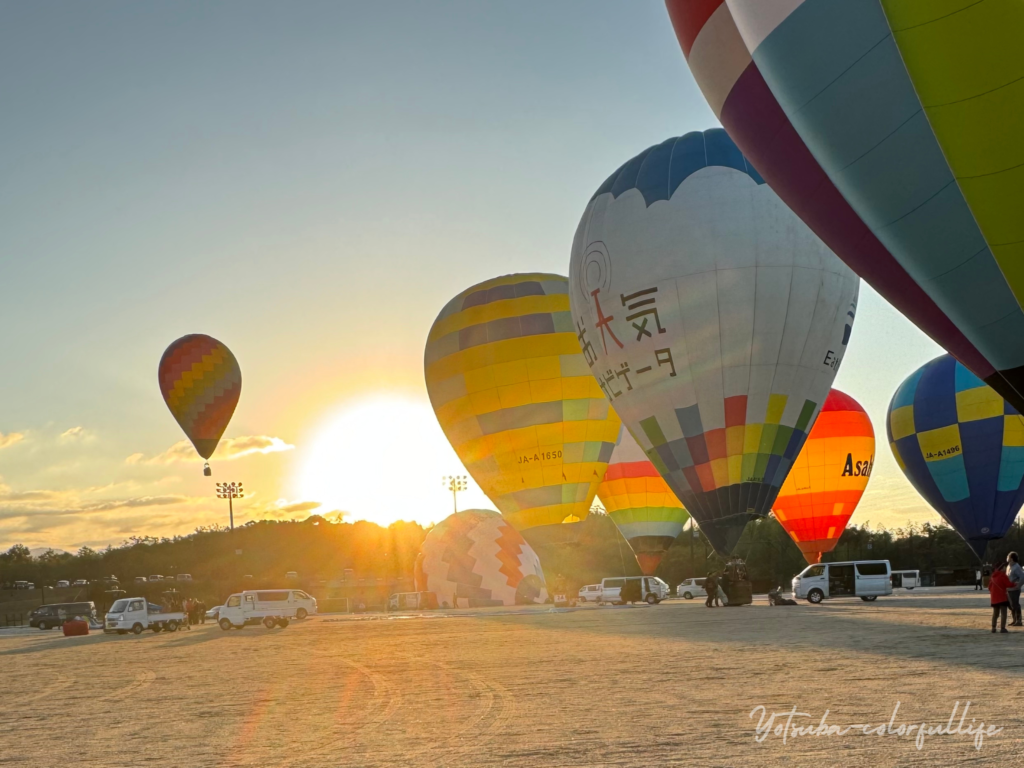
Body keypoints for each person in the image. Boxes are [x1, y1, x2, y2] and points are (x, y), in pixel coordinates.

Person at [989, 558, 1012, 634]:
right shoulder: (1002, 576)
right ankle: (1002, 628)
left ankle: (993, 627)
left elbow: (989, 587)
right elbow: (1009, 584)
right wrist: (1016, 584)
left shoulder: (993, 577)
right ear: (1001, 568)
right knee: (1003, 613)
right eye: (1004, 567)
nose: (1005, 568)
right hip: (1002, 597)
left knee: (995, 613)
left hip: (994, 598)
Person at [1007, 553, 1024, 626]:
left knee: (1015, 604)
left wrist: (1018, 585)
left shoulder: (1016, 567)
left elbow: (1022, 577)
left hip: (1014, 589)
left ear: (1011, 558)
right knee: (1011, 605)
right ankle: (1014, 620)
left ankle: (1019, 620)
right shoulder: (1008, 566)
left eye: (1008, 556)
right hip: (1009, 589)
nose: (1007, 558)